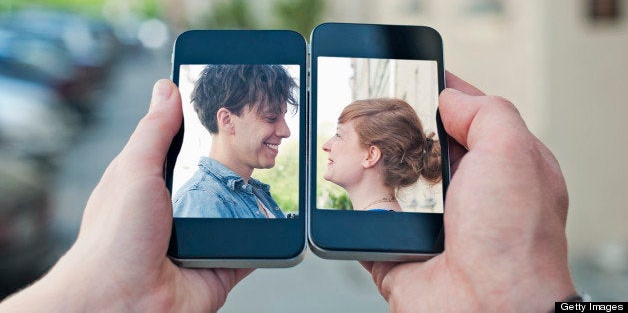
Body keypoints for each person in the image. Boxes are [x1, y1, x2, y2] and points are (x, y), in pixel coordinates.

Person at [0, 73, 578, 312]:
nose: (298, 135)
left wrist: (522, 294)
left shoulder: (261, 200)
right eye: (272, 117)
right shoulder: (204, 203)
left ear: (371, 156)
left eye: (338, 135)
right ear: (226, 120)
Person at [173, 64, 298, 218]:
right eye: (271, 118)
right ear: (227, 120)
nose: (286, 132)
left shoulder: (256, 194)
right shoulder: (203, 200)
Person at [322, 98, 441, 211]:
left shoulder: (370, 228)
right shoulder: (386, 222)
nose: (326, 146)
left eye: (339, 135)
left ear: (371, 156)